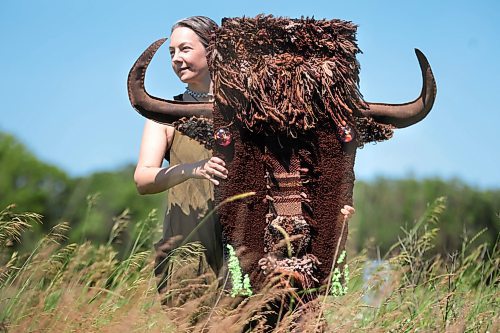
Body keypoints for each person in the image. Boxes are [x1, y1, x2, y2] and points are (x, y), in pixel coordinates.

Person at [134, 16, 226, 293]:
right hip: (189, 248)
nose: (176, 59)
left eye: (184, 49)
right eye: (171, 52)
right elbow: (143, 179)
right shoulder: (163, 115)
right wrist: (193, 168)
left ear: (212, 49)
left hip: (245, 246)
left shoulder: (250, 113)